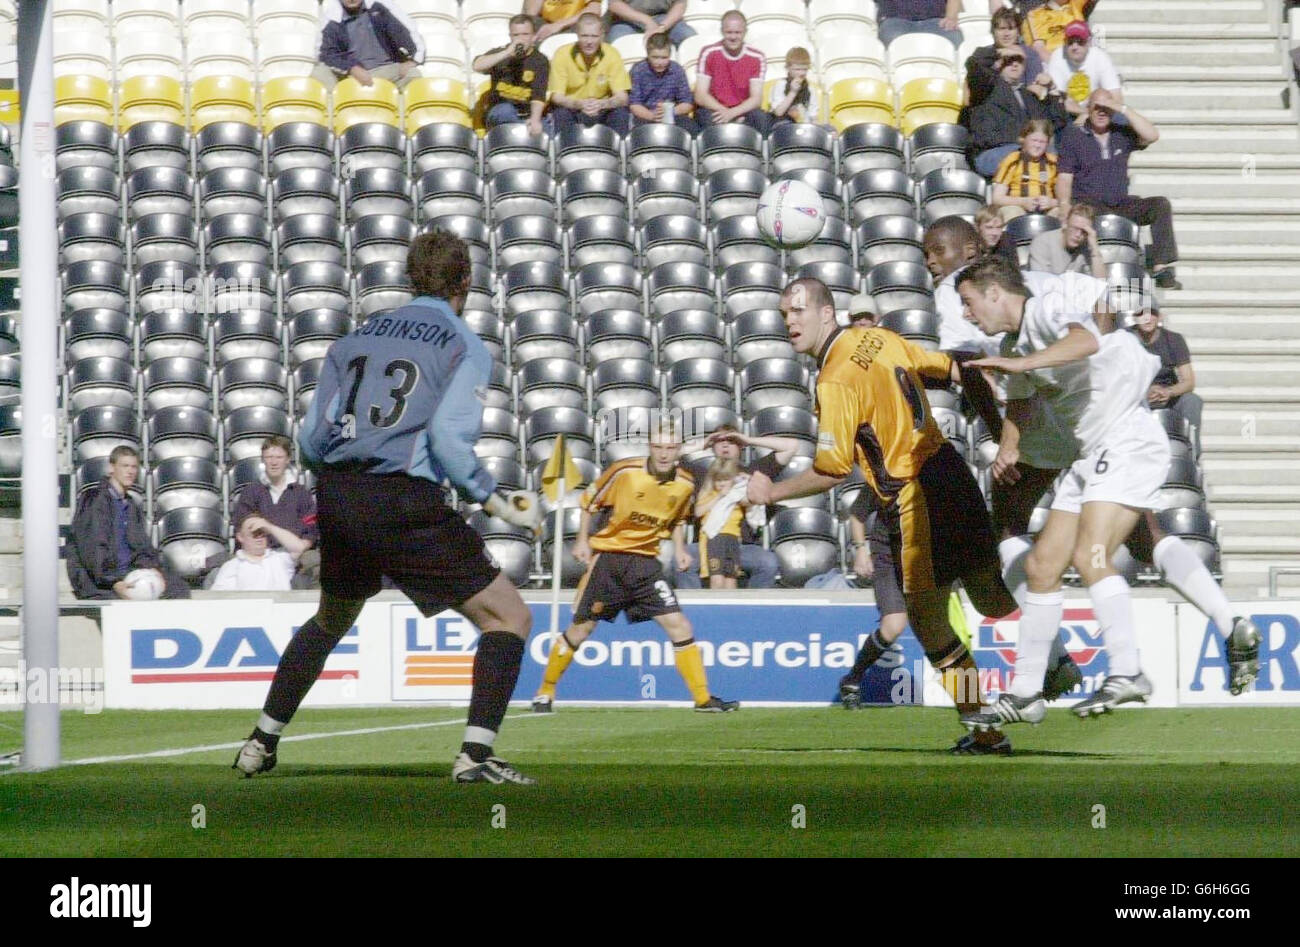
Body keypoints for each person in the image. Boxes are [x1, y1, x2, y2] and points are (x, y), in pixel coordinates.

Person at [233, 230, 544, 785]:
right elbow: (449, 441)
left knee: (331, 620)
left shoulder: (354, 339)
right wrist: (495, 499)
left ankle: (260, 742)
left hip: (339, 495)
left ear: (410, 276)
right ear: (466, 281)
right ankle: (475, 756)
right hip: (403, 498)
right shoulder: (463, 345)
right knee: (509, 617)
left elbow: (308, 442)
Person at [958, 256, 1260, 726]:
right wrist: (1010, 449)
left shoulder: (1041, 313)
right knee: (1040, 566)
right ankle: (1026, 694)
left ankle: (1128, 671)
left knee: (1091, 556)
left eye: (969, 302)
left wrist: (1024, 362)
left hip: (1127, 439)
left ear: (995, 293)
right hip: (1090, 452)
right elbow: (1020, 401)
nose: (967, 314)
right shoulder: (1015, 342)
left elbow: (1087, 338)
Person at [746, 277, 1020, 754]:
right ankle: (1053, 657)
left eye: (798, 311)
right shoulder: (877, 337)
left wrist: (772, 492)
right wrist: (1000, 437)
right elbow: (961, 369)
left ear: (827, 313)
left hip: (917, 494)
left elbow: (831, 470)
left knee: (927, 618)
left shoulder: (834, 379)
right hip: (953, 471)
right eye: (784, 313)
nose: (789, 321)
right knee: (991, 595)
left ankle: (986, 730)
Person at [530, 422, 739, 714]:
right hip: (610, 560)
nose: (664, 454)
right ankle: (545, 692)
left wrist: (679, 549)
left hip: (645, 565)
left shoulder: (685, 482)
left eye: (670, 448)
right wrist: (582, 541)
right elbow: (589, 502)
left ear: (678, 450)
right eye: (658, 447)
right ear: (650, 447)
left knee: (679, 625)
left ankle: (703, 699)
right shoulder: (624, 471)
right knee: (581, 629)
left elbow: (677, 519)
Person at [1057, 89, 1182, 289]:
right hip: (1090, 204)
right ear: (1088, 109)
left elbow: (1152, 135)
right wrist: (1064, 205)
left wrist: (1122, 108)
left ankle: (1160, 266)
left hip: (1120, 202)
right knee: (1091, 211)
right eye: (1096, 107)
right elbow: (1064, 177)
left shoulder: (1120, 133)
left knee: (1160, 205)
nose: (1101, 112)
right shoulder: (1074, 136)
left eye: (1106, 108)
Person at [66, 445, 191, 601]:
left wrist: (153, 568)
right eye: (125, 466)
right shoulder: (95, 500)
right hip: (98, 581)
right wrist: (113, 582)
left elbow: (142, 546)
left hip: (129, 574)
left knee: (177, 588)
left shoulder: (131, 504)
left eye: (134, 467)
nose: (130, 471)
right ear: (112, 468)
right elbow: (93, 548)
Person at [675, 425, 793, 590]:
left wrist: (749, 440)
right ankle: (692, 612)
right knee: (682, 559)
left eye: (731, 441)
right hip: (706, 542)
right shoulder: (701, 473)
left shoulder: (753, 471)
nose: (725, 445)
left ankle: (751, 611)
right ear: (712, 446)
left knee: (768, 562)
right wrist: (703, 443)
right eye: (719, 441)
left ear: (740, 445)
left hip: (741, 545)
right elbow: (668, 456)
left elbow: (791, 447)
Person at [230, 435, 320, 589]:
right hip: (260, 552)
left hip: (296, 554)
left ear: (287, 459)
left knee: (316, 561)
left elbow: (309, 534)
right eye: (269, 457)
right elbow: (245, 529)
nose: (274, 462)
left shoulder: (301, 493)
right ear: (263, 460)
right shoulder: (251, 492)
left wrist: (298, 548)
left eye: (279, 457)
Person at [967, 46, 1069, 178]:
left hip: (1026, 152)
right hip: (991, 152)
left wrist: (1052, 88)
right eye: (1009, 60)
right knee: (1031, 156)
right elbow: (973, 64)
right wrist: (997, 53)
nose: (1014, 64)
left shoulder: (1029, 96)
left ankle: (1044, 193)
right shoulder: (985, 87)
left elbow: (1057, 121)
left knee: (1056, 157)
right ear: (1000, 62)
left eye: (1019, 60)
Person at [547, 12, 632, 135]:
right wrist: (578, 104)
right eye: (584, 36)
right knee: (561, 113)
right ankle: (566, 152)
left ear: (602, 35)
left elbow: (622, 98)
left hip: (602, 108)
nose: (589, 41)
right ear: (577, 34)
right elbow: (556, 96)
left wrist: (602, 104)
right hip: (573, 107)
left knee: (620, 113)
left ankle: (618, 152)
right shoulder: (562, 54)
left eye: (594, 36)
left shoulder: (612, 54)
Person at [314, 0, 424, 91]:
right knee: (319, 74)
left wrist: (413, 60)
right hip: (349, 75)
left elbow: (408, 32)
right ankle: (331, 115)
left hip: (386, 70)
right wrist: (351, 68)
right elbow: (326, 54)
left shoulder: (380, 7)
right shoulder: (331, 18)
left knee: (413, 74)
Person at [693, 10, 771, 134]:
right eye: (729, 32)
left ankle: (760, 153)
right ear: (722, 31)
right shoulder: (708, 53)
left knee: (761, 119)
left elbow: (756, 98)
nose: (733, 37)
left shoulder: (757, 57)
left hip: (743, 110)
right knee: (705, 119)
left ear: (745, 32)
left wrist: (733, 113)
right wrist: (725, 112)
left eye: (738, 32)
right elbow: (700, 95)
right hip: (715, 108)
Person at [472, 13, 549, 135]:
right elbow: (477, 66)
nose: (521, 39)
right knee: (505, 111)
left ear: (533, 36)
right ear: (510, 36)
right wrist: (506, 53)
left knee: (546, 126)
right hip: (500, 110)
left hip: (526, 113)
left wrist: (535, 120)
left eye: (525, 34)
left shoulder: (540, 60)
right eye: (516, 35)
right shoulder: (501, 53)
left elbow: (538, 96)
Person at [966, 7, 1046, 109]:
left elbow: (1034, 88)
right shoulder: (981, 55)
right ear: (993, 31)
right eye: (1001, 29)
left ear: (1018, 32)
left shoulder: (1029, 54)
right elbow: (974, 91)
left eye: (1011, 29)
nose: (1006, 34)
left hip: (1022, 107)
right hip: (991, 108)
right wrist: (998, 56)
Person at [1047, 20, 1123, 121]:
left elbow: (1116, 98)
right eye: (1070, 42)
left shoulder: (1100, 57)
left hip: (1098, 111)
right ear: (1065, 42)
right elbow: (1058, 101)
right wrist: (1085, 114)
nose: (1075, 47)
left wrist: (1091, 114)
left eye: (1080, 42)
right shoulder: (1058, 56)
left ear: (1089, 42)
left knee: (1121, 119)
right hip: (1067, 113)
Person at [209, 514, 303, 592]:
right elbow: (219, 598)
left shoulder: (280, 559)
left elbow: (298, 548)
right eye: (254, 533)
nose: (259, 537)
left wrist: (269, 526)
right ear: (240, 537)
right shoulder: (232, 566)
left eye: (262, 532)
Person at [991, 118, 1061, 221]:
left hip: (1047, 210)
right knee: (1012, 212)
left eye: (1042, 142)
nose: (1037, 145)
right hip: (1018, 207)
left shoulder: (1054, 163)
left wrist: (1052, 202)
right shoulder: (1012, 160)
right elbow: (997, 198)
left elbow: (1066, 198)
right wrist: (1023, 202)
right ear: (1024, 139)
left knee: (1061, 212)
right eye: (1034, 140)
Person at [628, 30, 698, 133]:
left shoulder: (676, 70)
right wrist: (652, 116)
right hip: (644, 115)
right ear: (648, 54)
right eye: (655, 57)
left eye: (664, 58)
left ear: (670, 55)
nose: (659, 62)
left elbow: (687, 102)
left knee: (691, 128)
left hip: (672, 114)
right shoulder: (638, 70)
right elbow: (634, 104)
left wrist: (669, 112)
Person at [693, 457, 748, 589]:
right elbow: (698, 512)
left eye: (726, 480)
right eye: (718, 480)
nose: (722, 484)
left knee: (731, 579)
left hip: (733, 538)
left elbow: (749, 501)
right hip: (714, 538)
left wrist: (745, 480)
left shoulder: (736, 494)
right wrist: (719, 496)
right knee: (717, 579)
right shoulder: (709, 493)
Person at [1027, 200, 1107, 277]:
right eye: (1074, 228)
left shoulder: (1087, 247)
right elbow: (1040, 283)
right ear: (1065, 224)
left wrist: (1094, 248)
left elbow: (1100, 283)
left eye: (1083, 231)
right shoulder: (1042, 243)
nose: (1078, 235)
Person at [606, 0, 695, 48]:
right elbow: (614, 4)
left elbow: (680, 4)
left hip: (663, 16)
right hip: (627, 19)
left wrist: (662, 27)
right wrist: (647, 21)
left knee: (689, 37)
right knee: (617, 41)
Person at [875, 0, 963, 48]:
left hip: (937, 21)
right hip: (895, 20)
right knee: (893, 40)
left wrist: (951, 17)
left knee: (954, 38)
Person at [1023, 0, 1098, 55]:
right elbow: (1039, 48)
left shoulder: (1076, 5)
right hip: (1052, 62)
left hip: (1081, 57)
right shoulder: (1036, 14)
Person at [769, 47, 819, 126]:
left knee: (830, 129)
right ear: (788, 68)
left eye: (805, 69)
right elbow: (778, 112)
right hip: (783, 124)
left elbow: (813, 116)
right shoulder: (781, 85)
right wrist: (793, 92)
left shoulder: (810, 89)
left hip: (804, 126)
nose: (802, 73)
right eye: (797, 69)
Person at [527, 0, 603, 45]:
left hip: (573, 24)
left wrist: (559, 25)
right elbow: (531, 14)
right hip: (546, 24)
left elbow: (594, 9)